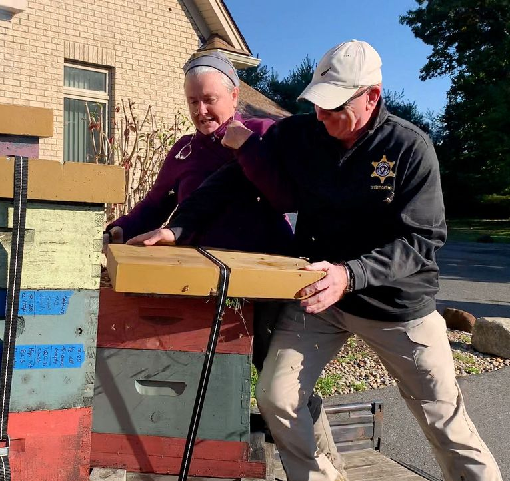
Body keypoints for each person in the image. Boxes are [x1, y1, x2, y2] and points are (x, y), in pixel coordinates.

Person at [127, 40, 503, 481]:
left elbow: (422, 239)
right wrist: (179, 228)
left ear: (372, 97)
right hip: (321, 299)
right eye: (317, 105)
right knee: (277, 397)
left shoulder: (409, 148)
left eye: (334, 107)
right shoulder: (304, 133)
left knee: (444, 421)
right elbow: (231, 178)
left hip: (397, 307)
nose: (321, 116)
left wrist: (352, 274)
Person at [107, 50, 347, 478]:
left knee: (283, 380)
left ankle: (326, 462)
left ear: (234, 95)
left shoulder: (264, 132)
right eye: (193, 102)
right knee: (207, 374)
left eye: (210, 99)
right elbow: (156, 203)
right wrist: (124, 229)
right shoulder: (183, 151)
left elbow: (283, 195)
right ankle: (211, 462)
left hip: (268, 282)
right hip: (202, 284)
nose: (202, 110)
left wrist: (246, 148)